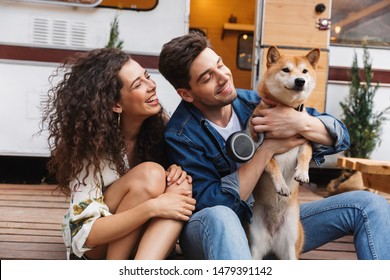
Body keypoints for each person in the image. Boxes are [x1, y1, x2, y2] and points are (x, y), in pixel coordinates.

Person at [158, 32, 390, 260]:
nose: (223, 77)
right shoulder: (181, 135)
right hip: (215, 229)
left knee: (370, 204)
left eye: (220, 64)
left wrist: (301, 122)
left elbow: (340, 137)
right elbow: (216, 202)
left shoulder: (256, 101)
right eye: (207, 77)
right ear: (186, 94)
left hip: (276, 218)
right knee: (221, 216)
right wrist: (267, 150)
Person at [42, 48, 196, 260]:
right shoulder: (92, 149)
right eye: (138, 84)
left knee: (181, 184)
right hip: (98, 246)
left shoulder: (163, 128)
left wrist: (175, 170)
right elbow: (85, 235)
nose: (152, 86)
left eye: (147, 77)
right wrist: (151, 208)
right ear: (115, 105)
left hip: (146, 242)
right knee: (149, 174)